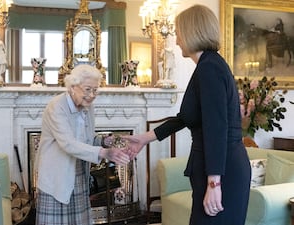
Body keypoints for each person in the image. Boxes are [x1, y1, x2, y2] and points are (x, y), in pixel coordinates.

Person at [124, 5, 251, 225]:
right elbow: (186, 117)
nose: (177, 38)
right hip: (218, 169)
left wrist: (214, 184)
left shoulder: (209, 68)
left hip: (224, 171)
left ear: (193, 31)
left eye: (179, 32)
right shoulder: (207, 65)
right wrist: (144, 138)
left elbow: (216, 128)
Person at [35, 64, 130, 225]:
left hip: (78, 174)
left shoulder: (87, 107)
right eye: (88, 89)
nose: (92, 95)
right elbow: (68, 143)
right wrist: (103, 153)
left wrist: (104, 141)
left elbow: (86, 139)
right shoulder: (56, 107)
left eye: (95, 90)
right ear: (73, 87)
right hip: (57, 176)